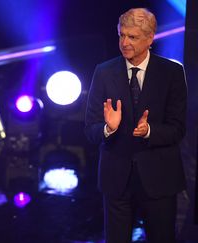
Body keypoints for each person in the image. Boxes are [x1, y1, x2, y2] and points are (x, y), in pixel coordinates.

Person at [85, 8, 187, 243]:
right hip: (116, 178)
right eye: (122, 35)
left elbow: (178, 128)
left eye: (132, 37)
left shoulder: (171, 72)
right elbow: (90, 129)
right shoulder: (103, 72)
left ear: (150, 38)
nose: (125, 42)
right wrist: (108, 129)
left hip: (159, 178)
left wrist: (149, 131)